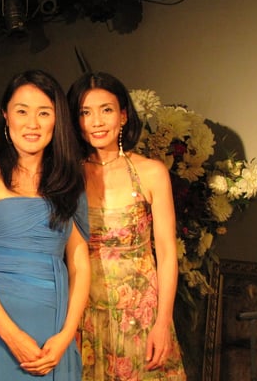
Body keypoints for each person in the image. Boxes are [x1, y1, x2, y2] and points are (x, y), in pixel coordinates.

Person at [0, 69, 90, 380]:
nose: (32, 124)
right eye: (22, 111)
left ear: (57, 119)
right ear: (5, 115)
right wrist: (12, 336)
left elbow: (80, 263)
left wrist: (67, 333)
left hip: (54, 327)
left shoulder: (71, 179)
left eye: (44, 113)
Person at [67, 71, 187, 380]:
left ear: (123, 115)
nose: (96, 121)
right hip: (84, 315)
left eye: (106, 110)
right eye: (85, 112)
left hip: (141, 317)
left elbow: (166, 253)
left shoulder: (151, 172)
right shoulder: (68, 176)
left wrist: (163, 322)